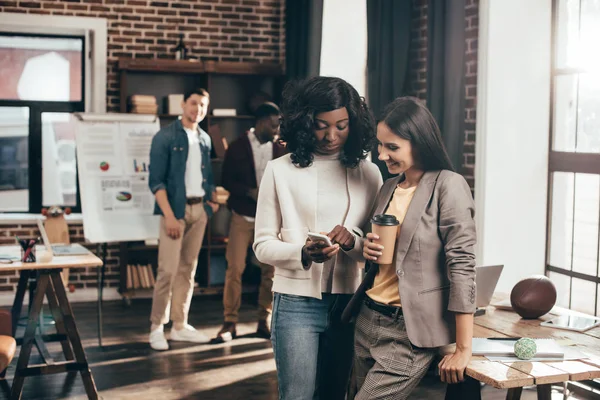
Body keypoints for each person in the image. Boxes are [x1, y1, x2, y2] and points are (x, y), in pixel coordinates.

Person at [253, 76, 383, 400]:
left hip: (349, 304)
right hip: (295, 303)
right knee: (296, 396)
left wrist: (353, 241)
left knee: (334, 395)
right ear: (304, 122)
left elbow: (376, 248)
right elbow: (261, 244)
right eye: (322, 125)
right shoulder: (279, 170)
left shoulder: (370, 173)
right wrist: (303, 252)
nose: (331, 136)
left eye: (342, 125)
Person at [353, 97, 476, 399]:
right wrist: (367, 248)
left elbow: (462, 265)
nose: (382, 155)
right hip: (367, 320)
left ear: (419, 143)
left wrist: (463, 349)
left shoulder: (448, 185)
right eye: (380, 145)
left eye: (392, 147)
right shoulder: (388, 187)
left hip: (408, 331)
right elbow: (392, 258)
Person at [148, 88, 219, 351]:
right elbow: (155, 182)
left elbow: (208, 177)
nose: (197, 109)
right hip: (174, 213)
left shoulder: (205, 139)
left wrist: (210, 204)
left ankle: (179, 325)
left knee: (188, 269)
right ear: (182, 104)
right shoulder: (165, 136)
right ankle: (156, 327)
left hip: (198, 210)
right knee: (167, 270)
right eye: (193, 103)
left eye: (202, 105)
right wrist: (170, 217)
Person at [215, 102, 287, 342]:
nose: (277, 129)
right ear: (261, 122)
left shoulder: (281, 148)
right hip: (242, 217)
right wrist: (248, 191)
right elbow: (225, 180)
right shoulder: (237, 147)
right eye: (274, 124)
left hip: (272, 220)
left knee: (271, 272)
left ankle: (263, 320)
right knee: (234, 269)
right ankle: (229, 322)